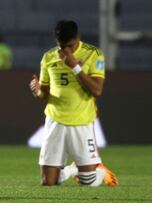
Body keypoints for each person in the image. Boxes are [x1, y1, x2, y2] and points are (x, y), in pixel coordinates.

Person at [29, 20, 118, 187]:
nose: (66, 50)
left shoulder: (93, 54)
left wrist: (75, 68)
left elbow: (97, 90)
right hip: (55, 120)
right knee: (48, 182)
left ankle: (97, 171)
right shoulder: (49, 57)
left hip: (81, 121)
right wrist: (37, 91)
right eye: (62, 46)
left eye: (70, 45)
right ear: (57, 42)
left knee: (89, 182)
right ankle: (72, 169)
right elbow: (44, 95)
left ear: (78, 37)